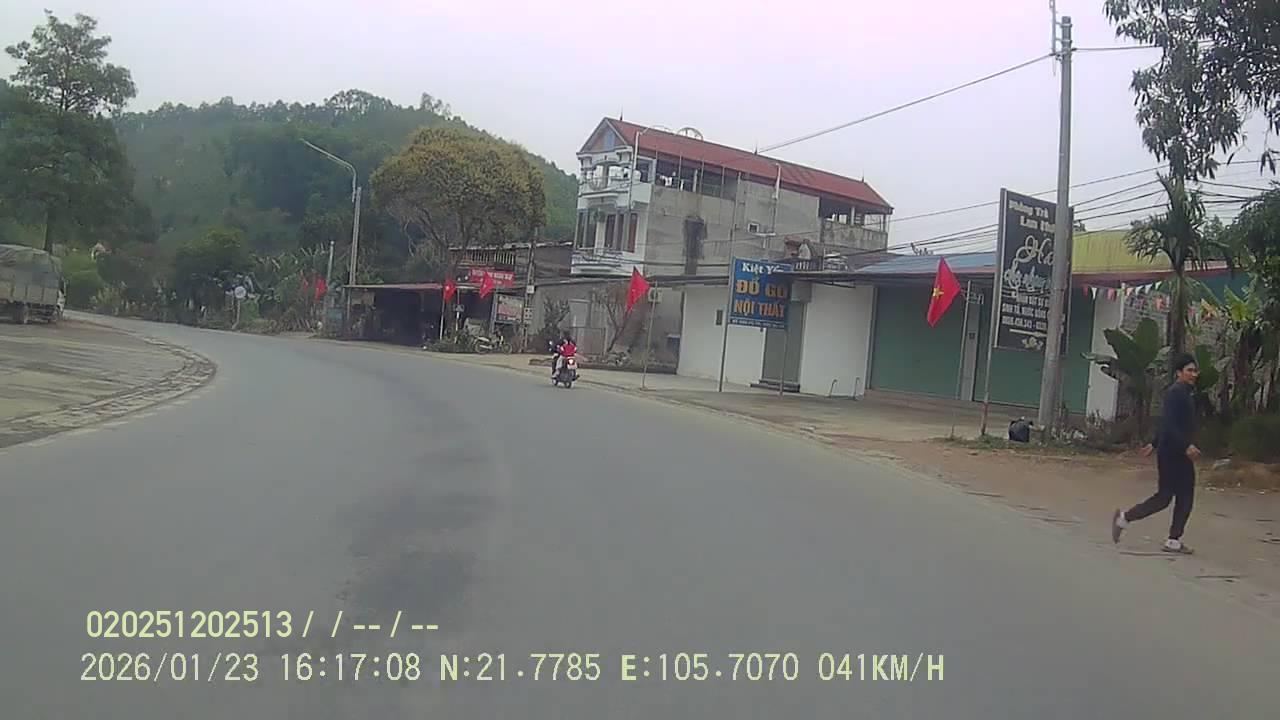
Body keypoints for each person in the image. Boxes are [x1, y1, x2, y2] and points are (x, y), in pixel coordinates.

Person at [1112, 353, 1201, 554]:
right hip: (1174, 453)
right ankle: (1170, 538)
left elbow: (1167, 423)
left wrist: (1154, 443)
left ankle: (1128, 520)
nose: (1194, 374)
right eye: (1189, 370)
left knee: (1172, 497)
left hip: (1172, 451)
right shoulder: (1176, 393)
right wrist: (1186, 445)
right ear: (1179, 373)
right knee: (1174, 496)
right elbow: (1170, 424)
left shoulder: (1184, 393)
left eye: (1195, 371)